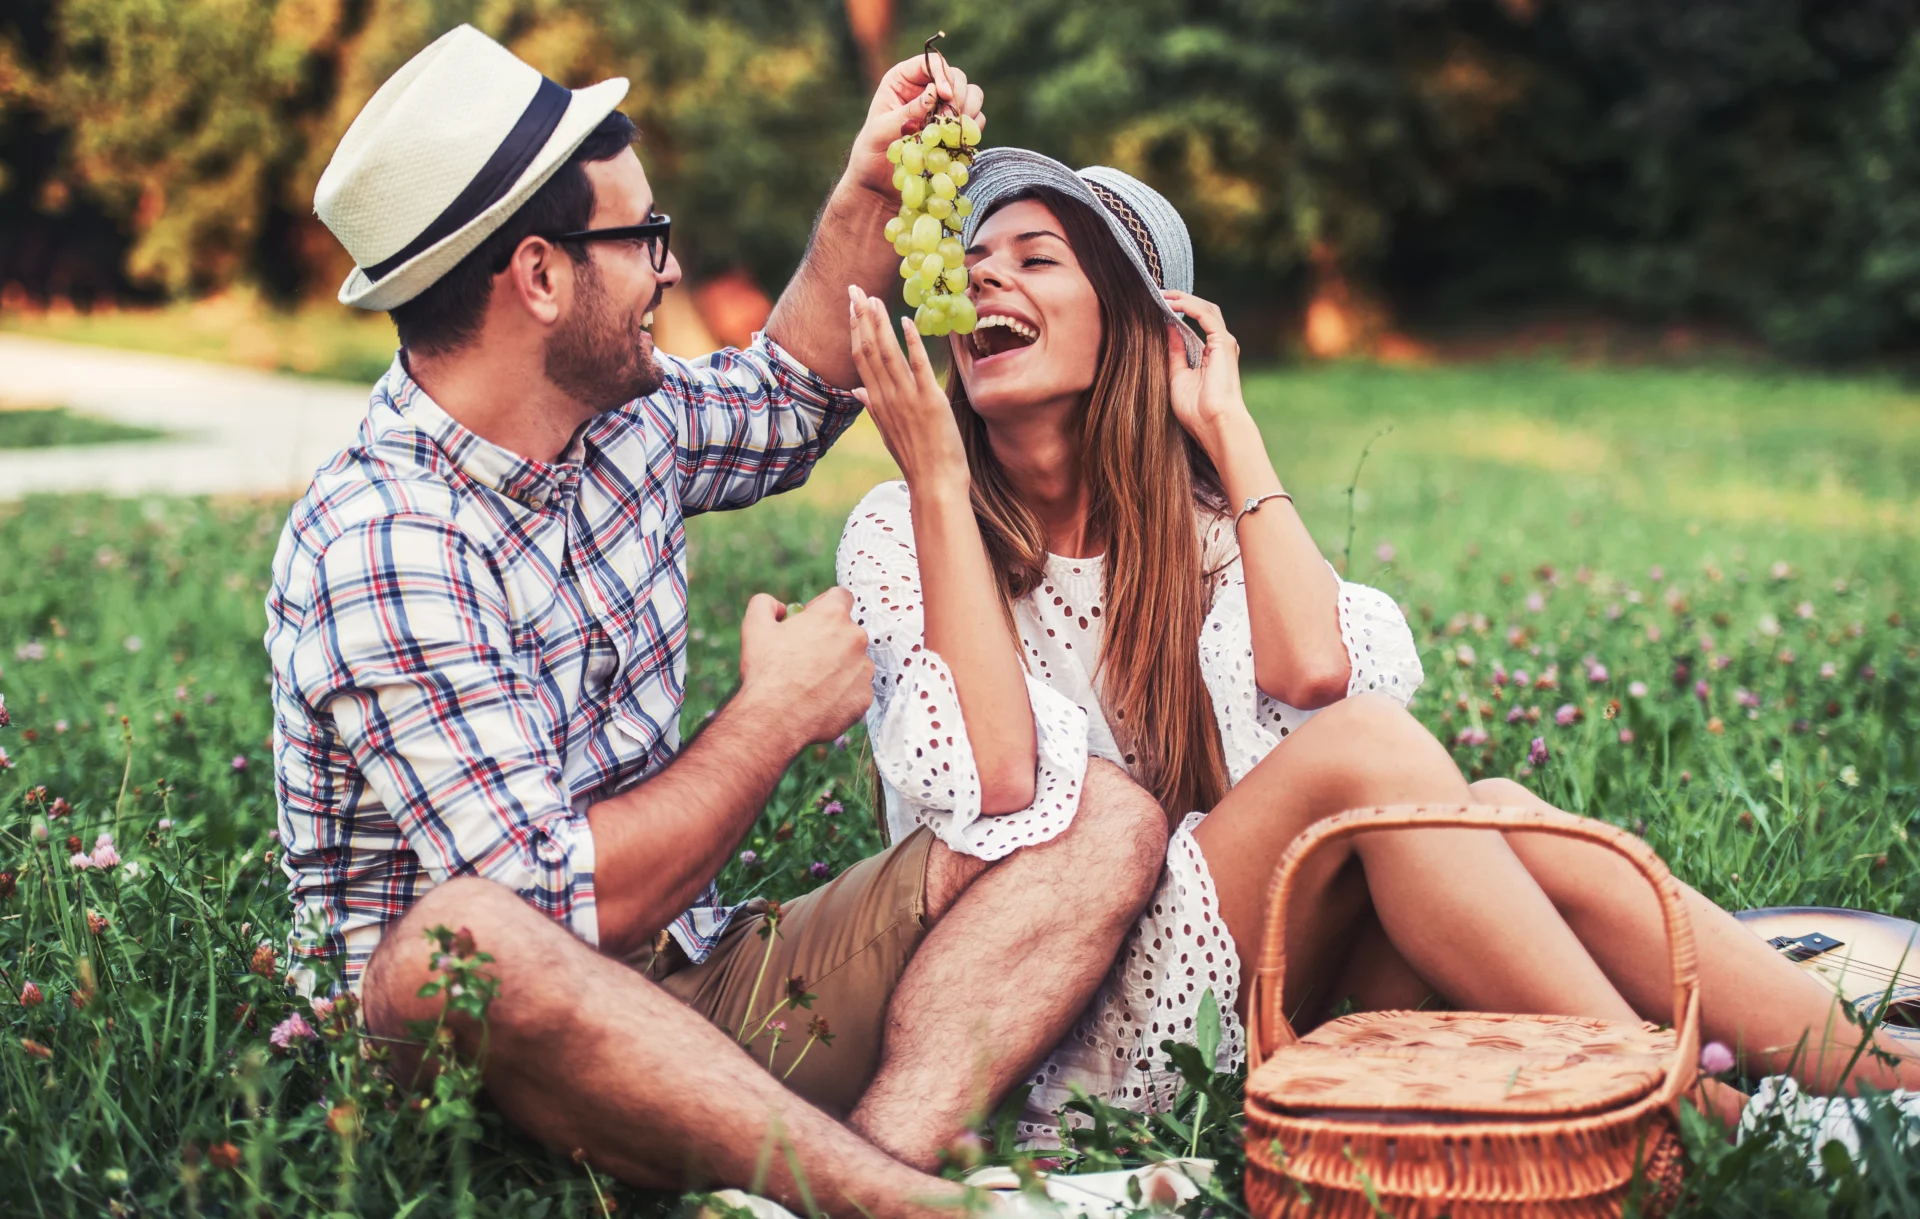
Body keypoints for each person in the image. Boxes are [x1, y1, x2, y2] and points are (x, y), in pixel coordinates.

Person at [836, 147, 1920, 1138]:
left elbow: (1314, 669)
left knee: (1492, 807)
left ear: (1135, 325)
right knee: (1373, 756)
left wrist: (1229, 426)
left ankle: (1885, 1087)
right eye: (971, 259)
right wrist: (935, 472)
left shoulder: (1199, 531)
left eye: (1035, 257)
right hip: (1049, 1036)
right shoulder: (904, 525)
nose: (982, 277)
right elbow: (998, 778)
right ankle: (1691, 1112)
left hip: (1243, 981)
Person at [265, 31, 1172, 1213]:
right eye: (642, 239)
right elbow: (552, 910)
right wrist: (776, 714)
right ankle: (902, 1205)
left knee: (1099, 816)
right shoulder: (383, 539)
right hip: (496, 1055)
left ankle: (852, 1163)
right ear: (538, 278)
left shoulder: (615, 420)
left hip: (702, 982)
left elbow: (793, 392)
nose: (670, 269)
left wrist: (871, 182)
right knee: (464, 940)